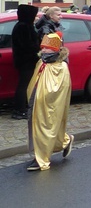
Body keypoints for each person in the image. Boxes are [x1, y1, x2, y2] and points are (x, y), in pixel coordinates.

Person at [25, 32, 74, 171]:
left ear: (55, 49)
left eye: (46, 48)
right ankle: (64, 140)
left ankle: (41, 158)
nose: (43, 50)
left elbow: (59, 89)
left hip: (49, 104)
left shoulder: (60, 67)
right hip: (35, 100)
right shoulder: (42, 62)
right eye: (43, 47)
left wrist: (45, 99)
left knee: (46, 126)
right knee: (33, 125)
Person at [11, 4, 40, 120]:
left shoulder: (22, 25)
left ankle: (22, 108)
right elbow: (27, 45)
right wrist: (38, 48)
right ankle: (20, 110)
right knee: (24, 85)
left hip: (24, 60)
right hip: (26, 60)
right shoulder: (24, 27)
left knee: (24, 85)